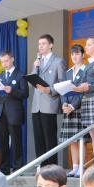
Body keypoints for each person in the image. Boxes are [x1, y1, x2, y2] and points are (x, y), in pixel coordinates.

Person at [0, 50, 29, 175]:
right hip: (1, 113)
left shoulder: (20, 75)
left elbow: (25, 94)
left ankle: (18, 168)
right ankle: (4, 168)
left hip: (14, 113)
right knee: (2, 142)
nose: (4, 64)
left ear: (12, 59)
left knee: (16, 141)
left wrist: (12, 90)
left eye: (6, 61)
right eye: (2, 62)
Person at [30, 34, 66, 167]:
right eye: (39, 44)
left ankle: (52, 168)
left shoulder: (58, 61)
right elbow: (31, 83)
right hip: (36, 106)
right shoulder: (37, 62)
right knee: (38, 139)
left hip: (50, 104)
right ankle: (42, 167)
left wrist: (49, 90)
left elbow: (62, 84)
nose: (40, 46)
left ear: (51, 45)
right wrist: (35, 67)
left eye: (43, 43)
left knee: (49, 138)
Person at [60, 44, 86, 177]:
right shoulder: (68, 72)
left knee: (81, 139)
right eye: (72, 54)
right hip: (68, 109)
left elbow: (83, 92)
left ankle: (82, 167)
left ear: (83, 55)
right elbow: (64, 90)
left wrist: (73, 106)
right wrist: (65, 104)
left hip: (80, 108)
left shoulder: (86, 70)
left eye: (77, 54)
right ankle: (75, 167)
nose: (74, 56)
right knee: (72, 140)